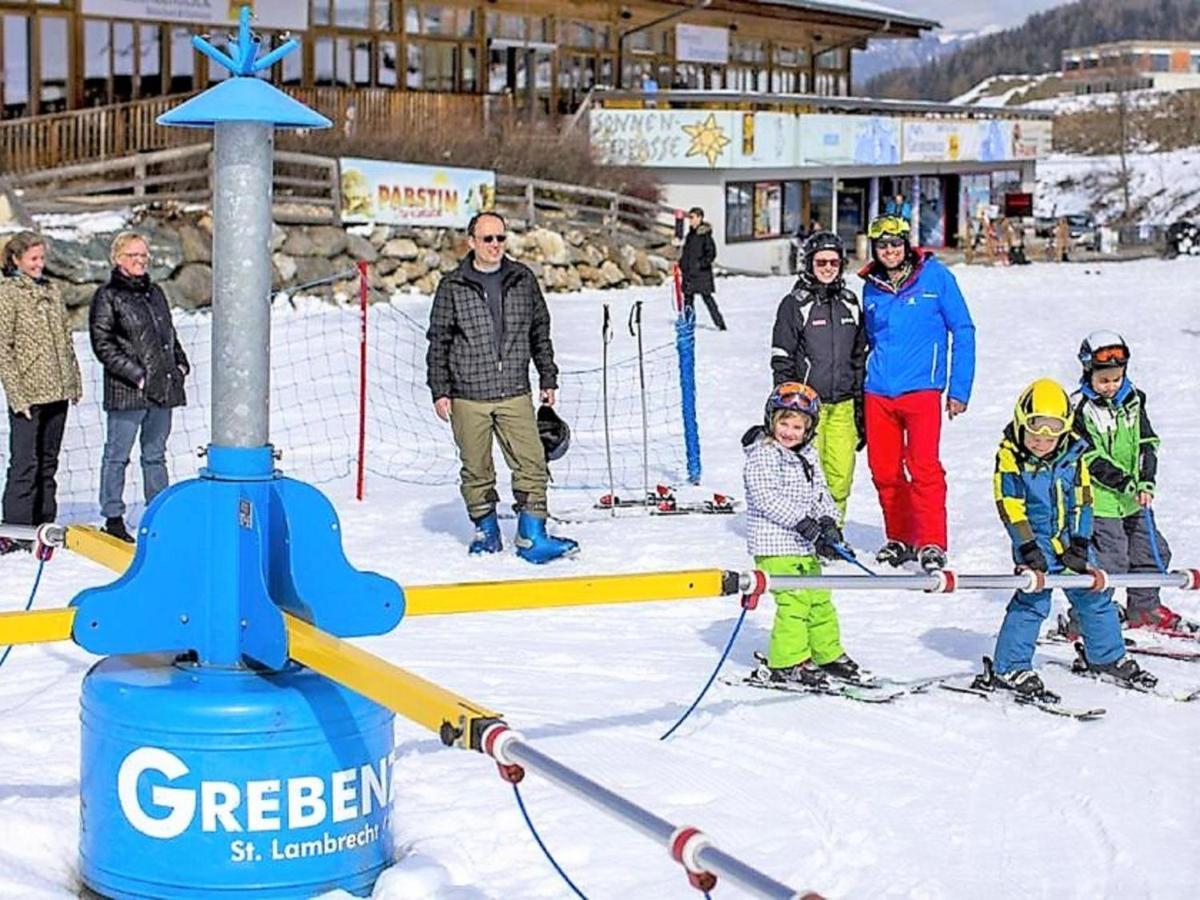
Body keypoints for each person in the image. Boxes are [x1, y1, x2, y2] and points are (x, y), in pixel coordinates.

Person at [977, 378, 1154, 697]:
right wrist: (1027, 547)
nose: (1042, 441)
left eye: (1052, 432)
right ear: (1021, 423)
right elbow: (1010, 506)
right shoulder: (1010, 457)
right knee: (1033, 600)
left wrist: (1081, 544)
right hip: (1035, 544)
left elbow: (1082, 501)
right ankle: (1010, 666)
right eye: (1034, 431)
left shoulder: (1074, 455)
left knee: (1096, 594)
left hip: (1071, 542)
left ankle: (1106, 657)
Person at [426, 211, 578, 564]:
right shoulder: (453, 285)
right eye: (488, 239)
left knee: (532, 462)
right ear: (472, 242)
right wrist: (440, 389)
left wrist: (548, 376)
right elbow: (439, 341)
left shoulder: (522, 279)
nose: (495, 246)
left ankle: (532, 536)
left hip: (514, 391)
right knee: (477, 469)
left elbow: (539, 329)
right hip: (468, 394)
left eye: (500, 238)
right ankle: (486, 532)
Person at [858, 215, 975, 573]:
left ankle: (931, 542)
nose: (889, 251)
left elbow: (964, 330)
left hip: (922, 389)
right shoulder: (871, 286)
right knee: (884, 469)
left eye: (895, 244)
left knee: (923, 467)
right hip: (878, 391)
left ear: (907, 244)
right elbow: (870, 339)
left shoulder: (936, 277)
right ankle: (900, 537)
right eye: (882, 245)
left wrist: (959, 388)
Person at [1069, 331, 1193, 633]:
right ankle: (1087, 618)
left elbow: (1147, 442)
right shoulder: (1080, 408)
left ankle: (1144, 607)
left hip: (1134, 499)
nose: (1111, 386)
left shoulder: (1134, 400)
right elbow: (1088, 456)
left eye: (1116, 378)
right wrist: (1123, 481)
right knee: (1111, 561)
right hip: (1100, 501)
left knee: (1152, 552)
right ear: (1089, 372)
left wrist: (1145, 480)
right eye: (1104, 380)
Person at [742, 382, 859, 687]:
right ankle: (788, 662)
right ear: (771, 421)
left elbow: (821, 493)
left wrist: (829, 525)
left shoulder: (806, 455)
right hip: (775, 544)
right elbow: (766, 498)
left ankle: (826, 653)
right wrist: (804, 523)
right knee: (795, 602)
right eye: (784, 423)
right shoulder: (763, 454)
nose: (789, 432)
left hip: (802, 546)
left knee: (819, 598)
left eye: (797, 426)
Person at [89, 231, 190, 543]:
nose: (141, 260)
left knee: (155, 454)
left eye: (144, 255)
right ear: (118, 259)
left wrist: (180, 362)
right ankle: (113, 516)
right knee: (117, 455)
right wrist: (137, 375)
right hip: (128, 390)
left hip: (163, 387)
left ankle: (159, 510)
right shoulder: (108, 296)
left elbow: (167, 333)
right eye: (134, 255)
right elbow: (102, 343)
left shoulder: (155, 292)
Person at [769, 232, 866, 524]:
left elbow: (859, 356)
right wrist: (786, 409)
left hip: (844, 406)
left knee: (840, 475)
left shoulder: (850, 302)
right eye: (821, 261)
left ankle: (833, 532)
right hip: (808, 407)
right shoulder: (794, 304)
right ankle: (808, 533)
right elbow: (782, 358)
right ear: (809, 264)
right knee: (808, 474)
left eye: (834, 262)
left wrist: (861, 406)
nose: (827, 268)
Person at [0, 231, 82, 554]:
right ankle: (16, 528)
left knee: (49, 461)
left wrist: (72, 381)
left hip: (57, 390)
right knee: (25, 462)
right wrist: (16, 395)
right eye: (33, 259)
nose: (39, 265)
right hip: (28, 393)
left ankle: (43, 522)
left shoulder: (52, 290)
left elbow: (65, 338)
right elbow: (3, 349)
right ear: (16, 260)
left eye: (41, 258)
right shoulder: (8, 294)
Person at [679, 207, 726, 330]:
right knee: (688, 299)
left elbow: (711, 254)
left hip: (701, 274)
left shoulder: (705, 235)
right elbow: (686, 253)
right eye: (690, 218)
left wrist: (700, 264)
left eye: (693, 217)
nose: (691, 220)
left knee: (707, 298)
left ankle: (720, 323)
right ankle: (689, 322)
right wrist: (682, 264)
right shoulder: (690, 235)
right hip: (689, 273)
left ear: (700, 218)